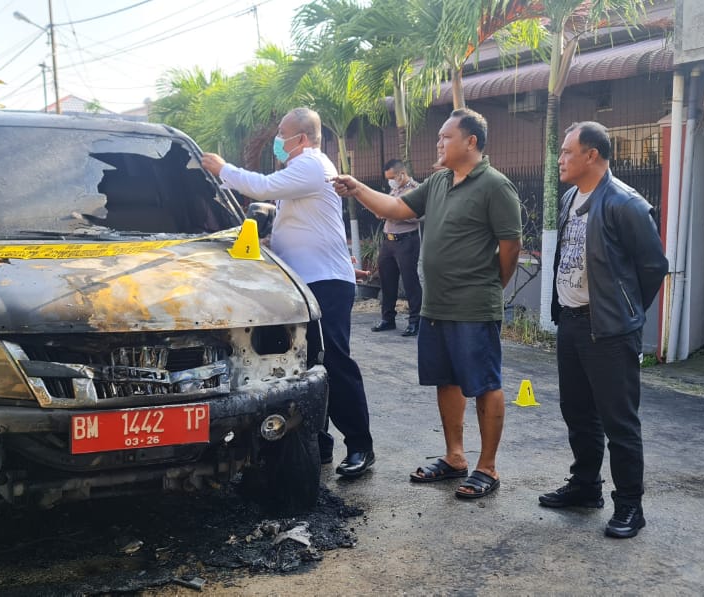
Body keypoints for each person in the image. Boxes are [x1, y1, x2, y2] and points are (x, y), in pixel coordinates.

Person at [333, 108, 521, 499]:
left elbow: (510, 248)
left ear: (471, 142)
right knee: (445, 380)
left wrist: (491, 286)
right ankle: (455, 458)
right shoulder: (437, 183)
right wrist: (357, 189)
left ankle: (487, 467)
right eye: (438, 138)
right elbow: (396, 209)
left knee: (484, 384)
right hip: (436, 305)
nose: (438, 144)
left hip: (473, 305)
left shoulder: (495, 186)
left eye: (445, 138)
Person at [200, 107, 376, 478]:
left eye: (282, 134)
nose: (278, 140)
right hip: (304, 282)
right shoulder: (300, 172)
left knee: (335, 362)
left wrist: (222, 168)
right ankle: (320, 444)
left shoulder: (312, 164)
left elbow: (261, 186)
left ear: (302, 137)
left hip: (325, 282)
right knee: (309, 363)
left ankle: (360, 445)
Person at [540, 121, 667, 539]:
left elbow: (653, 267)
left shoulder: (625, 203)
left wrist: (625, 311)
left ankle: (630, 505)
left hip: (610, 332)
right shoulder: (570, 198)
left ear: (591, 154)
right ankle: (585, 487)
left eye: (566, 151)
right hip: (573, 324)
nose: (560, 158)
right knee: (577, 413)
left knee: (619, 422)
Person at [371, 159, 423, 337]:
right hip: (389, 241)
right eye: (388, 179)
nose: (390, 182)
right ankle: (388, 319)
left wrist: (393, 214)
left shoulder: (416, 189)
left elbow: (419, 216)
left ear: (402, 174)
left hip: (406, 241)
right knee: (387, 281)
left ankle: (415, 321)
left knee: (410, 282)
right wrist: (388, 213)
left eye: (392, 177)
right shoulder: (395, 190)